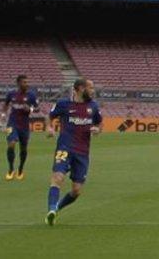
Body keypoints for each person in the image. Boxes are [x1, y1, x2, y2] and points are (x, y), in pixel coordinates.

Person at [45, 79, 101, 226]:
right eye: (91, 88)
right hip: (65, 148)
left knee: (76, 191)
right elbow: (49, 116)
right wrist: (49, 128)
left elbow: (99, 122)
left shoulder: (93, 106)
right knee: (57, 177)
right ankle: (50, 210)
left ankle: (57, 208)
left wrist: (97, 129)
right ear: (81, 88)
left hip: (82, 152)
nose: (93, 91)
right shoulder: (63, 104)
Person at [3, 74, 39, 181]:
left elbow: (37, 109)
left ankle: (20, 169)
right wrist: (3, 115)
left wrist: (30, 110)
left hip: (24, 125)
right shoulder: (11, 94)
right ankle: (10, 169)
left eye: (27, 82)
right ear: (18, 83)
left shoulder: (31, 95)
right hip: (12, 123)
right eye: (24, 82)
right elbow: (6, 104)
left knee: (23, 148)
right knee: (12, 144)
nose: (26, 84)